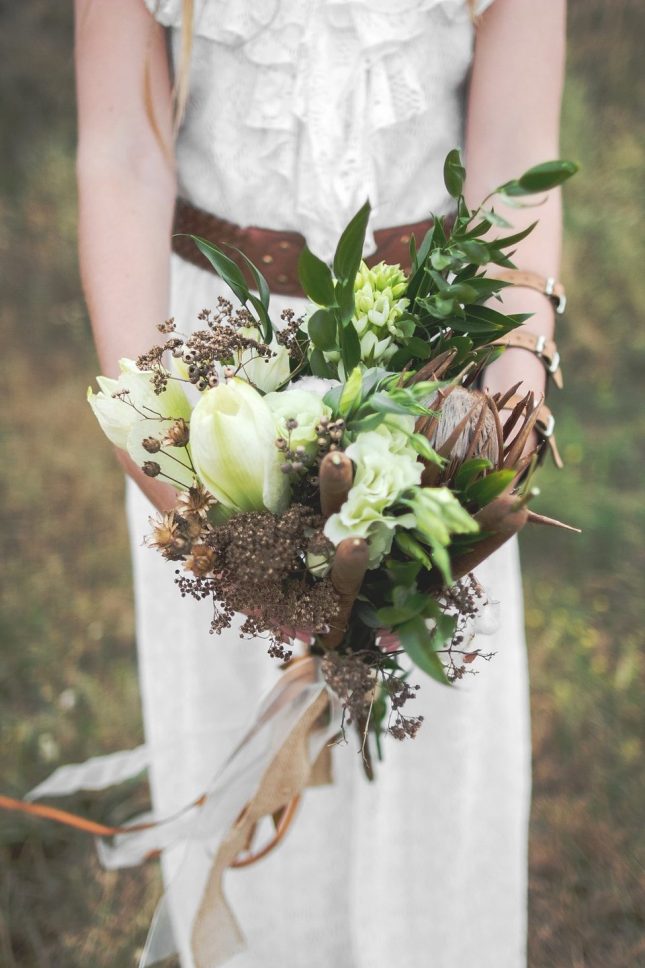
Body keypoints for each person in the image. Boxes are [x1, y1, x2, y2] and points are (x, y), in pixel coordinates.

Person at [74, 1, 566, 965]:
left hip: (433, 357)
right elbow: (122, 153)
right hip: (213, 366)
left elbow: (515, 161)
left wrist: (500, 420)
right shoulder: (190, 422)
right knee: (238, 724)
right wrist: (170, 460)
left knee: (431, 742)